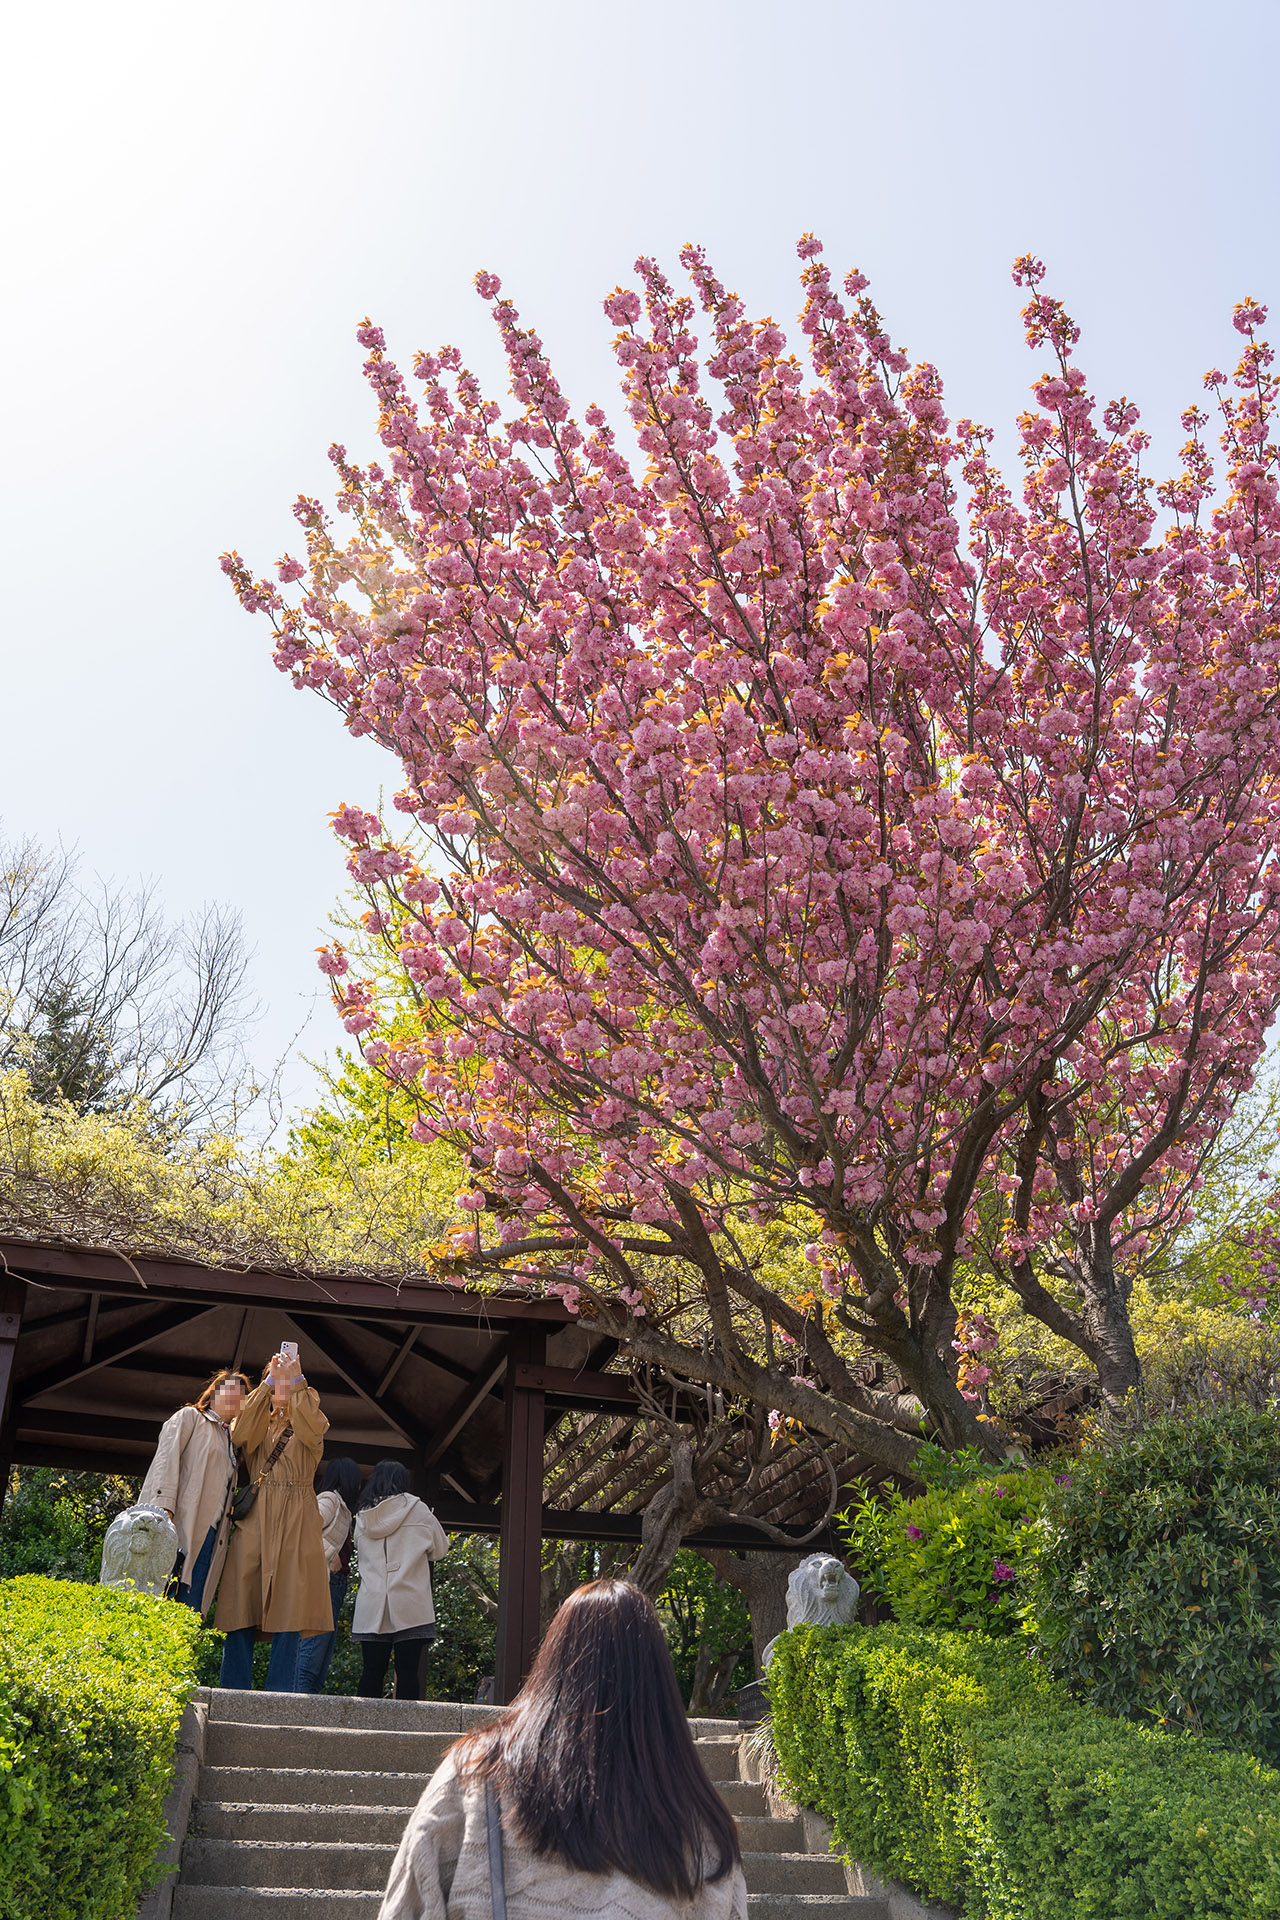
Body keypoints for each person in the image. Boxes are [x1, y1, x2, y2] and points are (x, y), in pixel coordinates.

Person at [378, 1579, 746, 1920]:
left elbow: (406, 1901)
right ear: (659, 1684)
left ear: (553, 1661)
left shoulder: (476, 1769)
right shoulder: (699, 1821)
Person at [213, 1348, 332, 1692]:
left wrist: (296, 1378)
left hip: (297, 1518)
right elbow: (238, 1434)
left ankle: (280, 1694)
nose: (282, 1383)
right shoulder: (258, 1422)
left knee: (290, 1608)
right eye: (275, 1377)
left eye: (288, 1380)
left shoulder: (311, 1421)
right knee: (241, 1604)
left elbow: (312, 1428)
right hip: (257, 1517)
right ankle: (233, 1688)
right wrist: (267, 1382)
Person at [139, 1368, 248, 1615]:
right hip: (177, 1522)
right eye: (231, 1390)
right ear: (214, 1392)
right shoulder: (190, 1417)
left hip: (210, 1532)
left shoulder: (231, 1442)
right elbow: (165, 1460)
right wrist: (162, 1509)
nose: (236, 1398)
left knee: (189, 1609)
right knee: (160, 1598)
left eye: (242, 1396)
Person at [352, 1460, 448, 1702]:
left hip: (372, 1602)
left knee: (371, 1672)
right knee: (407, 1673)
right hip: (410, 1600)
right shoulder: (419, 1510)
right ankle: (406, 1732)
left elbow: (358, 1550)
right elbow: (440, 1549)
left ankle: (363, 1731)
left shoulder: (362, 1518)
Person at [295, 1455, 362, 1694]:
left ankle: (307, 1708)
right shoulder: (329, 1499)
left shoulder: (341, 1507)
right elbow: (303, 1529)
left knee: (320, 1660)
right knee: (311, 1654)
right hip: (322, 1581)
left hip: (334, 1584)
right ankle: (298, 1709)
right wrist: (331, 1553)